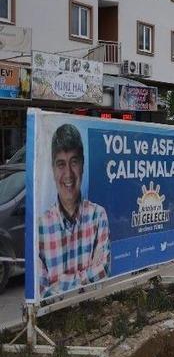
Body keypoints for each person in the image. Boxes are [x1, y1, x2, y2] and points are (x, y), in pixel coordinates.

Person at [38, 124, 110, 299]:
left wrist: (59, 283)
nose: (68, 173)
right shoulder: (40, 227)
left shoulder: (98, 216)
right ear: (53, 169)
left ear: (83, 165)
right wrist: (87, 276)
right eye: (61, 164)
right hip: (56, 315)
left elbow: (104, 270)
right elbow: (41, 291)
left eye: (74, 162)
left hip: (92, 310)